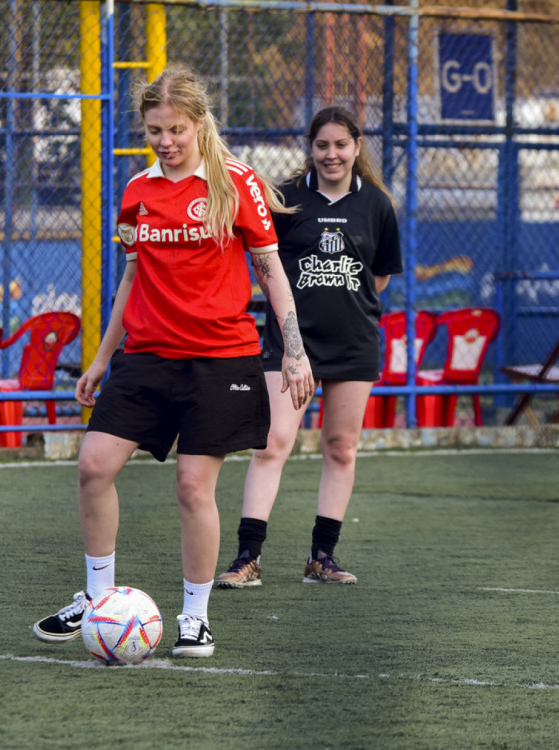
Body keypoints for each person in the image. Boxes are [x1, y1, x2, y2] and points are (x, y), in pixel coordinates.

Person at [31, 66, 314, 658]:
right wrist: (102, 358)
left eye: (176, 129)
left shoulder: (236, 186)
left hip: (220, 360)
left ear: (199, 122)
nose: (165, 141)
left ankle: (195, 616)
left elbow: (271, 272)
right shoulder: (137, 192)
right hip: (147, 358)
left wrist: (293, 351)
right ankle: (98, 599)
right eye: (155, 130)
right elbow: (132, 277)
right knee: (93, 466)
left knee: (192, 486)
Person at [215, 106, 403, 589]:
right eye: (323, 145)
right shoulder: (284, 199)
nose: (332, 154)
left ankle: (323, 557)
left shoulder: (377, 205)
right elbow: (264, 265)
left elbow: (378, 276)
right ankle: (247, 559)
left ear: (357, 147)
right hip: (291, 345)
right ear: (311, 148)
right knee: (273, 443)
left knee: (341, 448)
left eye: (341, 145)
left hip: (354, 344)